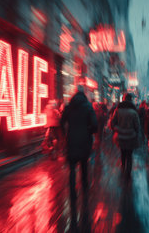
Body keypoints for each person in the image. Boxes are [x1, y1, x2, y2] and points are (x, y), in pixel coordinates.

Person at [60, 86, 97, 228]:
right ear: (84, 95)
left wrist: (65, 135)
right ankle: (85, 188)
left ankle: (72, 192)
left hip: (71, 141)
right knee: (84, 165)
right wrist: (89, 131)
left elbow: (61, 122)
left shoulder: (69, 107)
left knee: (71, 168)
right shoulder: (88, 107)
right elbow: (94, 125)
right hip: (84, 141)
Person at [111, 93, 140, 179]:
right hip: (131, 137)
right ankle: (128, 173)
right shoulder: (134, 112)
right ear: (131, 100)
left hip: (120, 137)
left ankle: (123, 169)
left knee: (123, 153)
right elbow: (137, 126)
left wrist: (119, 129)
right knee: (129, 155)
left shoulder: (117, 110)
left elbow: (112, 124)